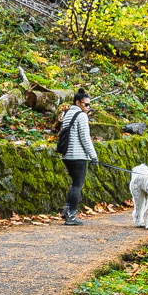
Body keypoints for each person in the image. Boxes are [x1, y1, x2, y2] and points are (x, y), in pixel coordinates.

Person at [56, 88, 98, 225]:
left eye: (89, 105)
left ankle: (66, 210)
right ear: (78, 102)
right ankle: (71, 216)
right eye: (86, 104)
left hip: (66, 155)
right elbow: (85, 138)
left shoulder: (68, 113)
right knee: (77, 185)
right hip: (78, 155)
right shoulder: (81, 116)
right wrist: (93, 156)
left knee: (74, 183)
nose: (88, 107)